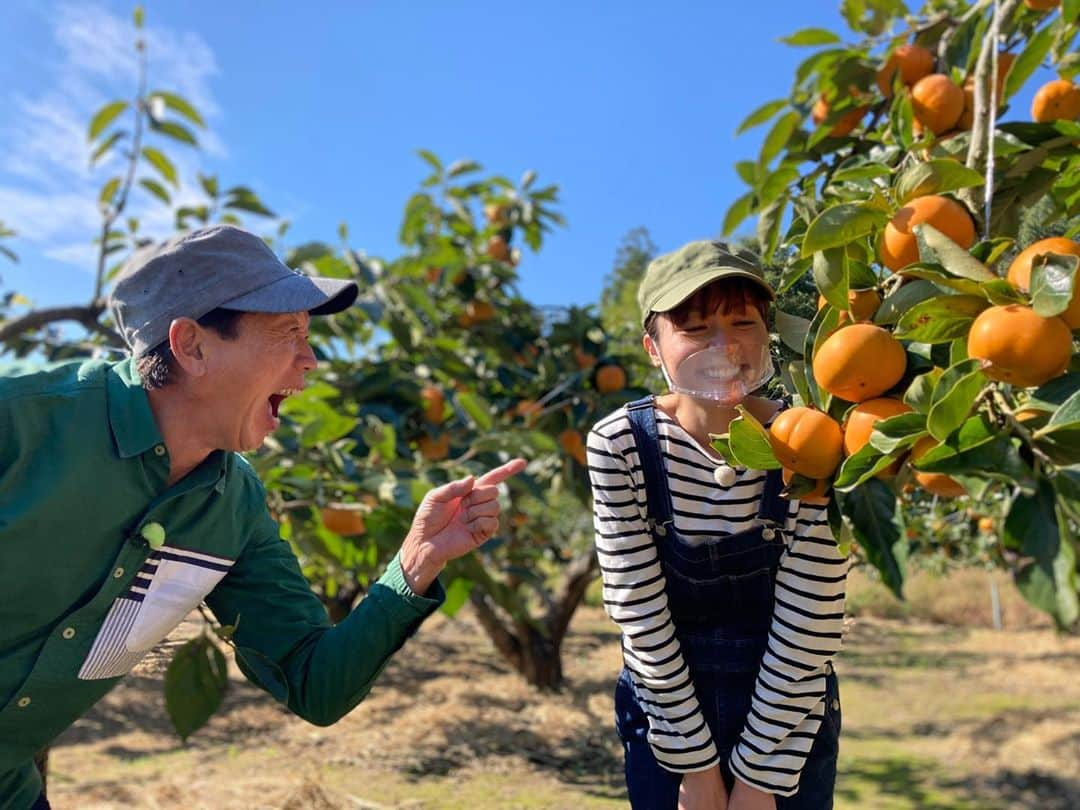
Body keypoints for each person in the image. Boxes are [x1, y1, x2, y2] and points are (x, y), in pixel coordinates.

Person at [0, 225, 525, 810]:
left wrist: (416, 563)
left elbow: (313, 681)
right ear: (192, 345)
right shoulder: (18, 427)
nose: (313, 360)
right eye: (289, 333)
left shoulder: (231, 506)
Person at [587, 241, 849, 810]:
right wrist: (696, 767)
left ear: (767, 334)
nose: (723, 346)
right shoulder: (622, 445)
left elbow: (812, 617)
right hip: (666, 710)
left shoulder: (813, 440)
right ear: (653, 347)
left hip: (789, 709)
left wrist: (758, 777)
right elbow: (638, 611)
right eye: (696, 328)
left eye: (741, 323)